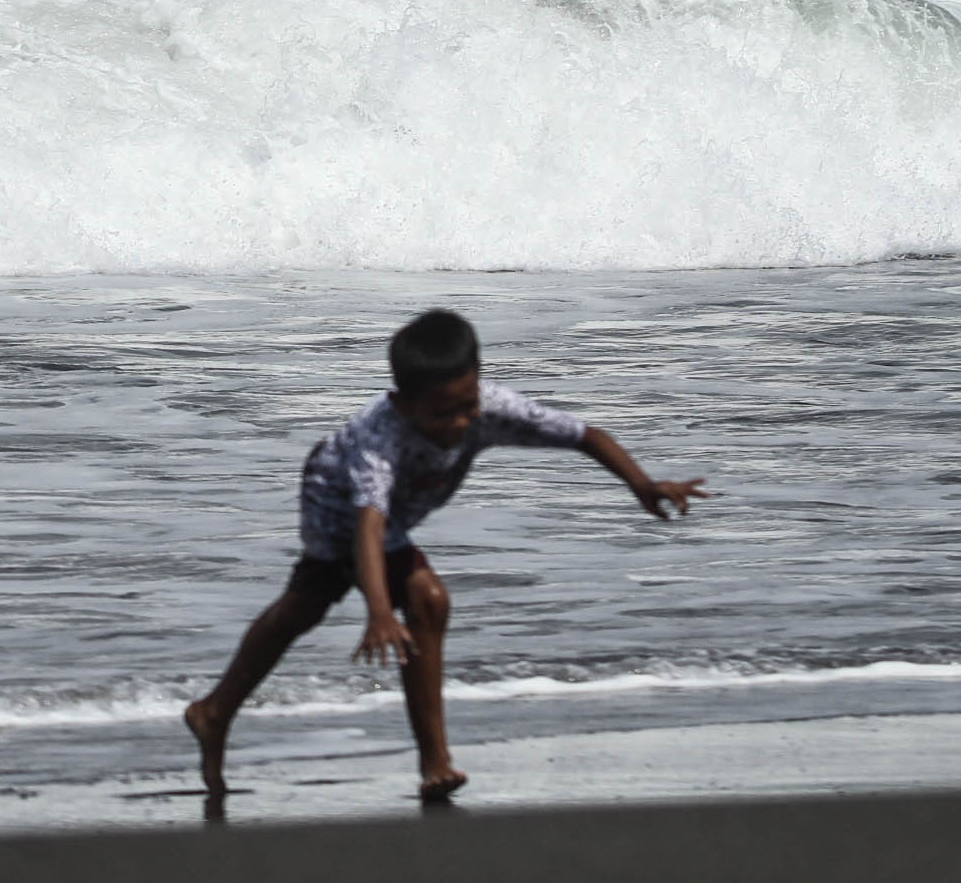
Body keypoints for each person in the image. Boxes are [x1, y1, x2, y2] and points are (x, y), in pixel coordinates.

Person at [183, 307, 705, 803]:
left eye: (467, 405)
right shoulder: (378, 440)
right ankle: (429, 760)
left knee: (309, 605)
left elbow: (584, 435)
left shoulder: (489, 409)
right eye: (441, 414)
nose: (459, 423)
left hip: (392, 514)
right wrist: (380, 612)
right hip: (334, 497)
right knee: (413, 599)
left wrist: (643, 485)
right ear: (404, 402)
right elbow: (369, 523)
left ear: (478, 380)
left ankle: (217, 711)